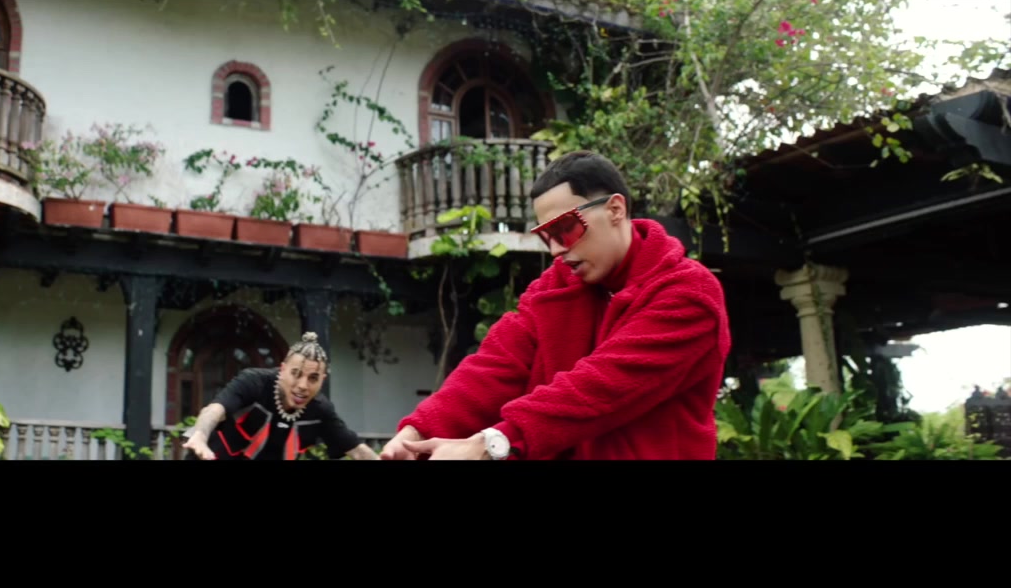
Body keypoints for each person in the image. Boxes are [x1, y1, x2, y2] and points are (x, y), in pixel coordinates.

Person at [380, 149, 732, 460]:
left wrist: (493, 443)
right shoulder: (556, 286)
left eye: (565, 229)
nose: (556, 250)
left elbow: (600, 389)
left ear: (615, 209)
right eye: (546, 236)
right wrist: (417, 432)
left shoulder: (689, 293)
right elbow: (497, 363)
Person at [181, 331, 380, 460]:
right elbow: (214, 410)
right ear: (283, 369)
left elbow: (357, 450)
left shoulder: (320, 409)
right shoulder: (254, 382)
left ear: (323, 380)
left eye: (313, 378)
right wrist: (200, 436)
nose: (302, 386)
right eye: (296, 374)